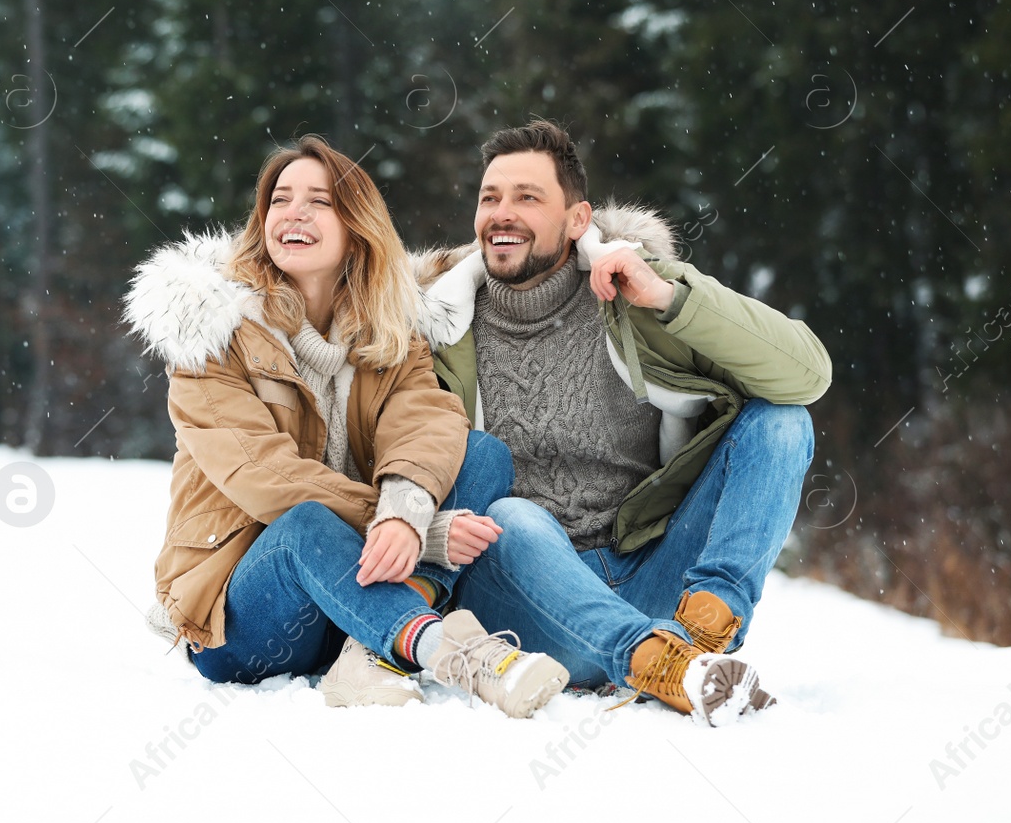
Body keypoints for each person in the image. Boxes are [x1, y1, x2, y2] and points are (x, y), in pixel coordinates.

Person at [124, 136, 567, 714]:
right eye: (280, 199)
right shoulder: (210, 339)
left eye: (319, 201)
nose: (294, 213)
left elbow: (427, 422)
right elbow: (266, 479)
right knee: (306, 523)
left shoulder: (387, 330)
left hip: (347, 602)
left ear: (356, 227)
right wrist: (418, 527)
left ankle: (369, 653)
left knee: (480, 454)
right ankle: (450, 652)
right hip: (244, 618)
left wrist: (408, 509)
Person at [414, 120, 831, 725]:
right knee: (512, 517)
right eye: (490, 198)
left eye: (528, 198)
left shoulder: (633, 298)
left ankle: (694, 644)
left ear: (578, 220)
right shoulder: (437, 328)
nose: (502, 214)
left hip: (650, 570)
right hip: (526, 599)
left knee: (781, 423)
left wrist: (670, 297)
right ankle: (648, 656)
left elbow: (807, 375)